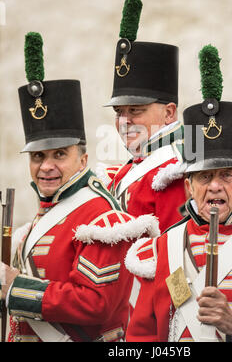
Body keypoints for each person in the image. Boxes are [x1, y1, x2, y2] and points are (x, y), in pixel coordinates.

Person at [125, 45, 232, 342]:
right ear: (188, 187)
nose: (215, 185)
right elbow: (141, 336)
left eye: (227, 175)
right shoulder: (164, 247)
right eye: (204, 176)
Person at [0, 32, 159, 342]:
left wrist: (16, 287)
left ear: (83, 158)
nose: (46, 166)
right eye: (38, 156)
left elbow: (95, 304)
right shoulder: (34, 223)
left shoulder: (102, 220)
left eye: (60, 154)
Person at [98, 0, 188, 234]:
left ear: (169, 113)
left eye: (135, 110)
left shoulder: (174, 170)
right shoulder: (132, 168)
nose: (124, 121)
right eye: (119, 112)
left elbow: (173, 256)